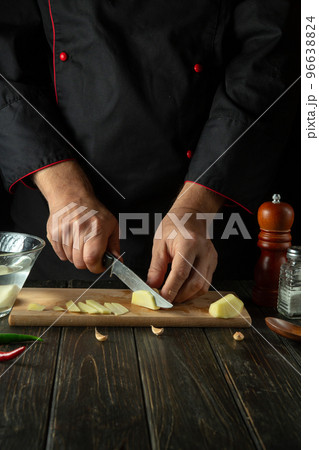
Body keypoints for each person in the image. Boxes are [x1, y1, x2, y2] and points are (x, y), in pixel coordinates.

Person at [0, 0, 299, 302]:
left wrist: (195, 208)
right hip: (60, 228)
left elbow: (265, 61)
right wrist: (66, 193)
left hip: (207, 223)